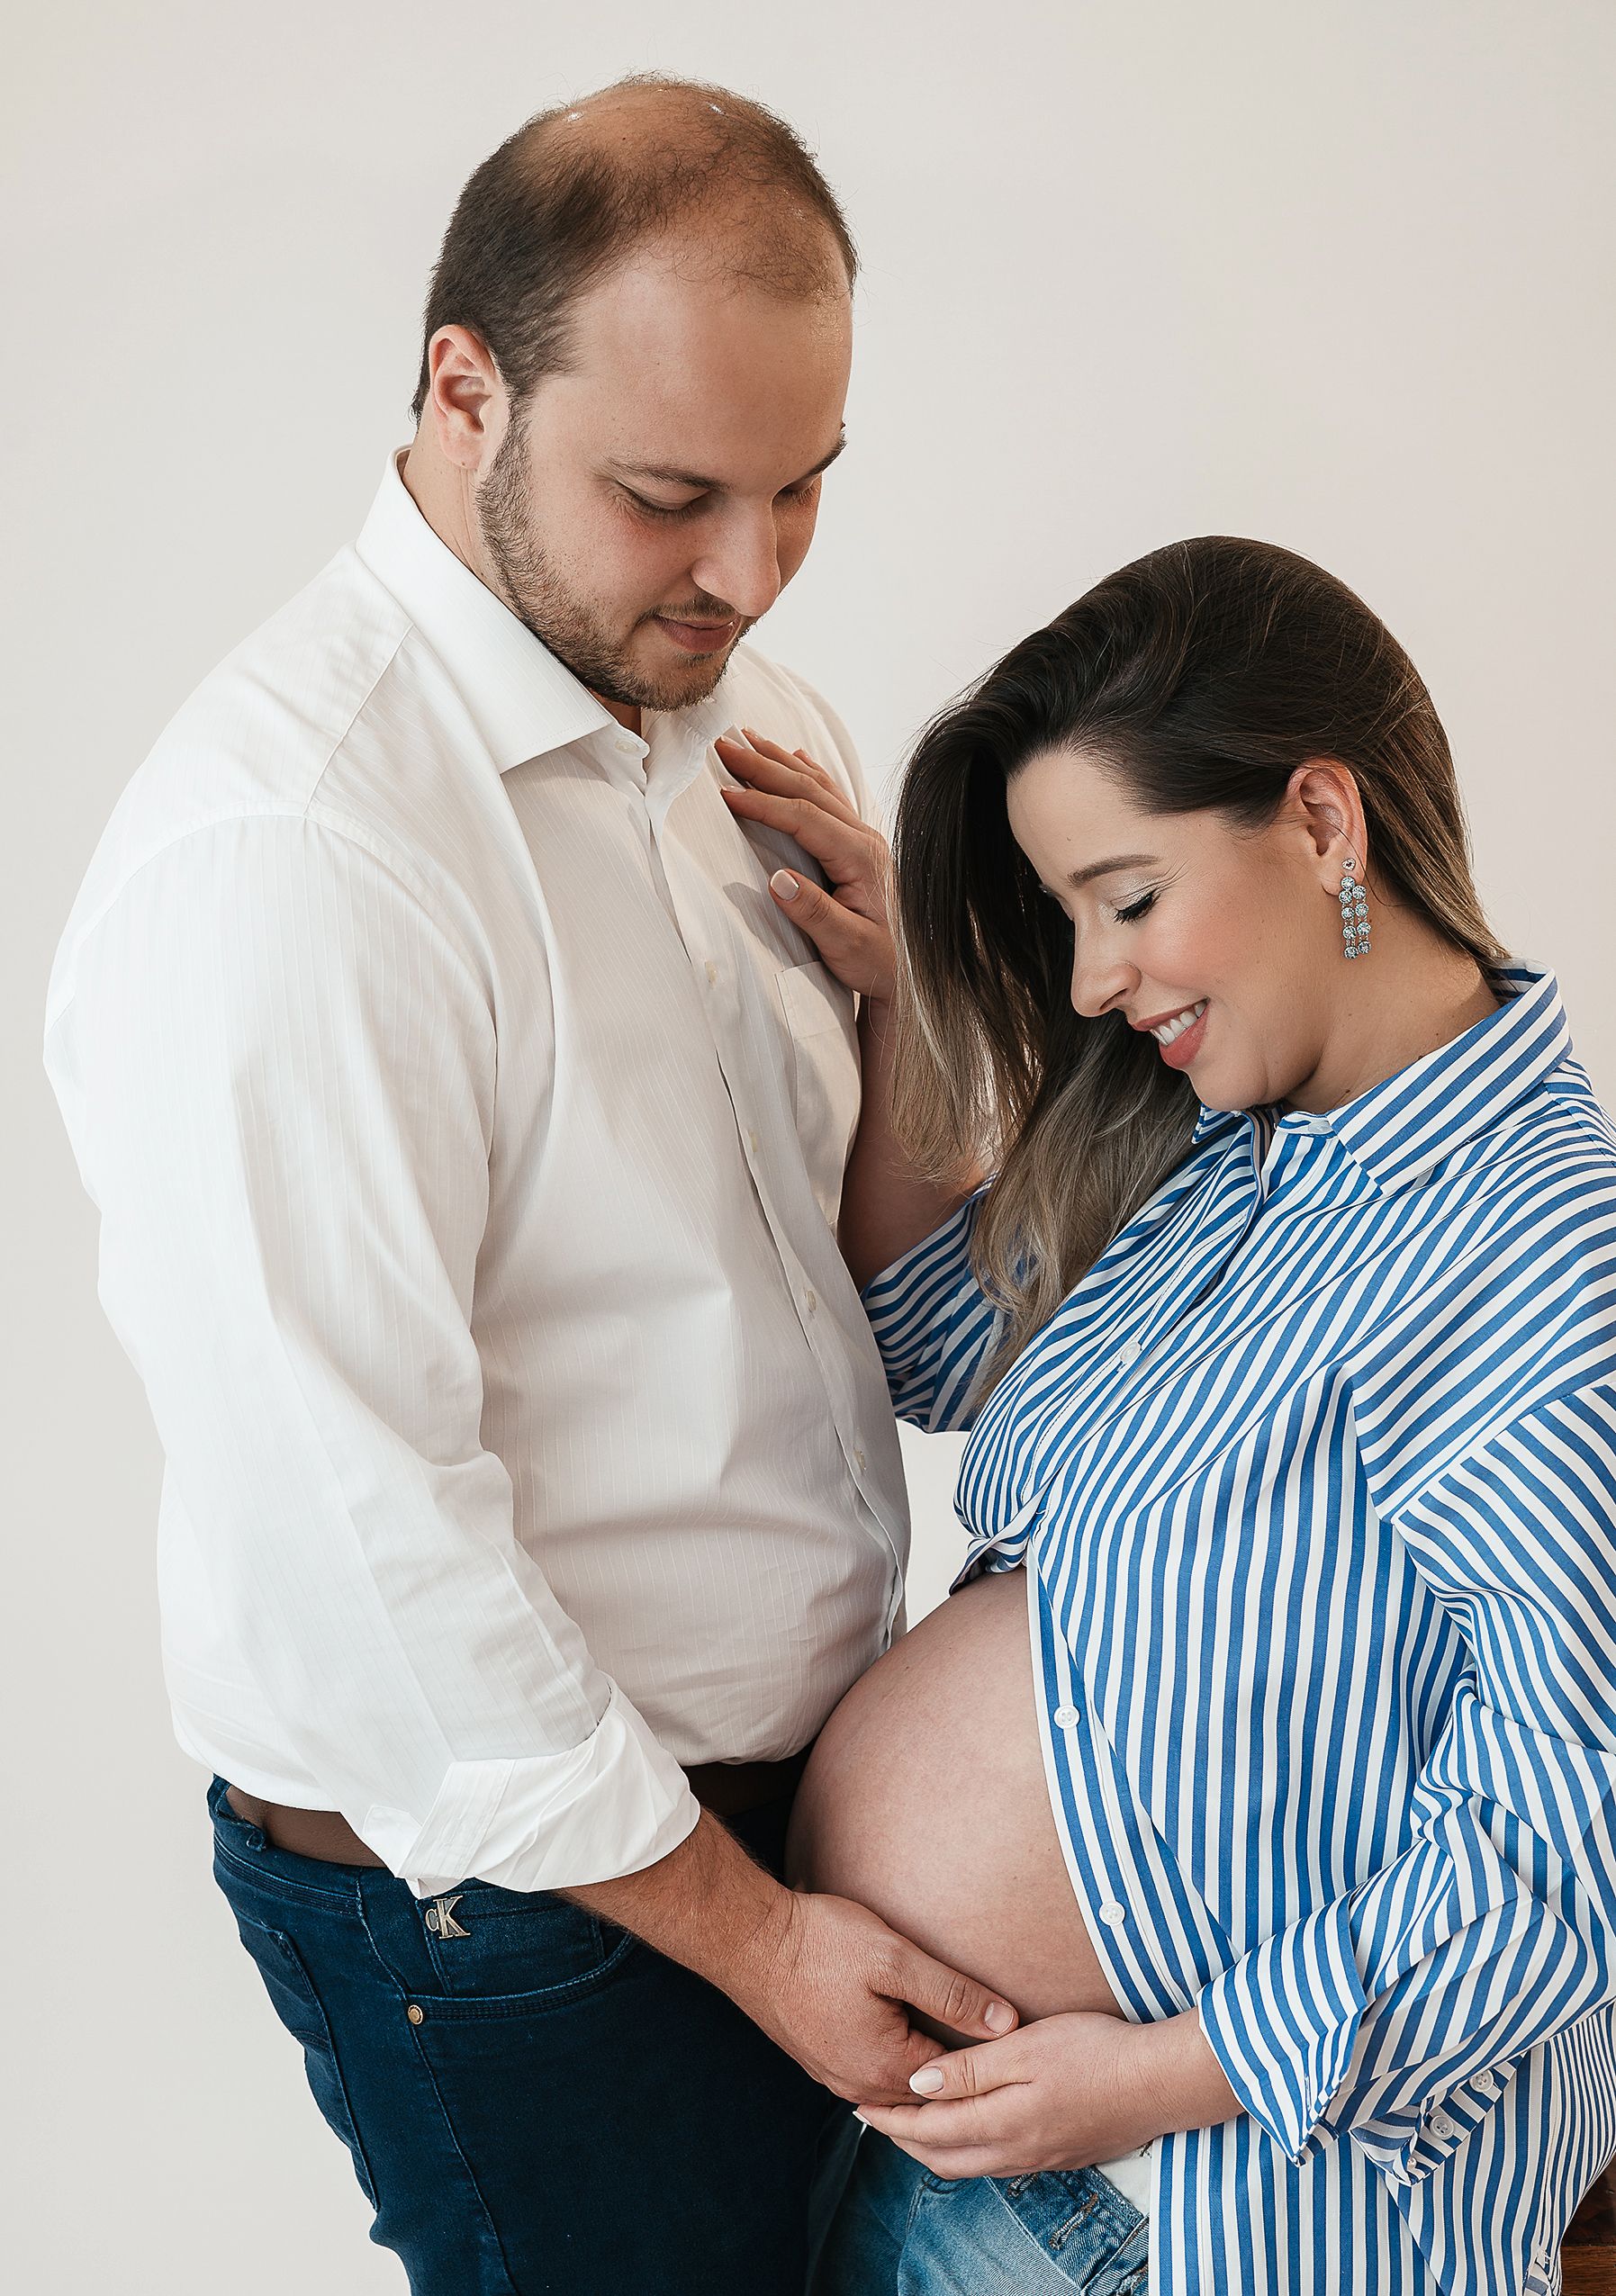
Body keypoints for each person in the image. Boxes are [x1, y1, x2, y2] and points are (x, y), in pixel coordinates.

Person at [41, 77, 1018, 2295]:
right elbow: (359, 1544)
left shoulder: (738, 734)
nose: (750, 574)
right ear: (460, 386)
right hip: (533, 1901)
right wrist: (753, 1937)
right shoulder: (298, 858)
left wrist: (913, 1023)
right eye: (673, 496)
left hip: (774, 1825)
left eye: (802, 491)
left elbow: (834, 1302)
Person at [718, 536, 1616, 2292]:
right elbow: (937, 1339)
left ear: (1322, 822)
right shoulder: (1234, 1166)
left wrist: (1144, 2079)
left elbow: (1570, 1842)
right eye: (1065, 919)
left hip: (1176, 2213)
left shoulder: (1532, 1255)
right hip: (986, 2159)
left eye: (1123, 900)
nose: (1086, 980)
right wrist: (905, 990)